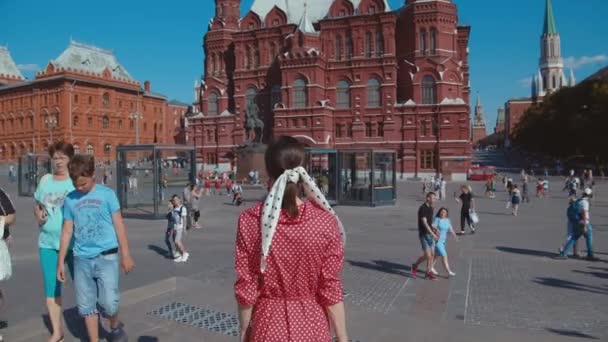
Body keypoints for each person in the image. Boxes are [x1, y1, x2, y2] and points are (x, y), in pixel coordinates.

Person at [234, 136, 348, 342]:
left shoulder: (250, 221)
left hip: (267, 327)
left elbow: (248, 285)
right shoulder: (325, 221)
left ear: (268, 172)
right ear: (302, 171)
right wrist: (342, 336)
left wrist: (245, 330)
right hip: (313, 327)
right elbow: (330, 287)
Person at [57, 155, 134, 342]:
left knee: (109, 304)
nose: (80, 188)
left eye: (83, 184)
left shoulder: (107, 194)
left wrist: (126, 254)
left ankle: (114, 325)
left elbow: (119, 224)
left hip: (106, 257)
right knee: (86, 307)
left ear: (93, 174)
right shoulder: (70, 199)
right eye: (76, 185)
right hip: (81, 259)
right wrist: (61, 261)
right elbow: (67, 230)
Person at [33, 141, 76, 342]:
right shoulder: (45, 180)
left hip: (74, 244)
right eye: (55, 157)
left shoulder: (75, 181)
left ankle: (97, 321)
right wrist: (38, 215)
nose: (58, 161)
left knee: (85, 285)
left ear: (70, 159)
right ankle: (57, 332)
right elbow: (38, 205)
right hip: (47, 243)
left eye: (62, 157)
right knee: (51, 287)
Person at [557, 188, 596, 260]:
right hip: (584, 222)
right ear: (589, 195)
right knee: (589, 238)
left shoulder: (578, 200)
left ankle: (564, 253)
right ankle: (590, 255)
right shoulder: (585, 202)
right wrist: (585, 225)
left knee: (574, 238)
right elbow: (584, 213)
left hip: (577, 222)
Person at [412, 192, 439, 280]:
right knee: (428, 256)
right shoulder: (422, 209)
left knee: (430, 255)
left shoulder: (431, 208)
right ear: (428, 198)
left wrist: (436, 228)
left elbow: (430, 223)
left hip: (430, 234)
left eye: (435, 198)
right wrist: (433, 234)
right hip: (424, 234)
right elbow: (425, 224)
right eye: (433, 198)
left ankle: (428, 272)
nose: (434, 200)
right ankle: (415, 265)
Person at [432, 208, 458, 277]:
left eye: (444, 212)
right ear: (439, 212)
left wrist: (455, 236)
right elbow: (432, 225)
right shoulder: (437, 219)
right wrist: (436, 229)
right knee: (444, 255)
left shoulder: (447, 220)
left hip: (443, 241)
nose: (443, 213)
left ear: (446, 213)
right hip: (437, 241)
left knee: (436, 256)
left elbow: (451, 228)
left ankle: (430, 267)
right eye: (442, 212)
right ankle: (449, 271)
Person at [170, 195, 190, 262]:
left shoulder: (182, 208)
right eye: (173, 200)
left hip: (180, 227)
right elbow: (172, 219)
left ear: (179, 200)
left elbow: (184, 219)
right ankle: (178, 255)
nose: (174, 201)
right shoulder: (174, 208)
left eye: (175, 200)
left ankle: (185, 253)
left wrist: (184, 228)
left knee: (177, 241)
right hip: (175, 227)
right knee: (175, 242)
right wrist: (171, 229)